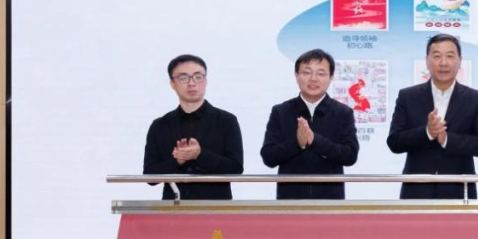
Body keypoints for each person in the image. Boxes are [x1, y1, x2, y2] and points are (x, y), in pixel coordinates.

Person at [387, 34, 478, 199]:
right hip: (416, 193)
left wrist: (447, 139)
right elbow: (394, 142)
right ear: (427, 61)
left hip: (459, 193)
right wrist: (427, 132)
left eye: (450, 56)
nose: (443, 62)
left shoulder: (475, 99)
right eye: (437, 56)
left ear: (459, 61)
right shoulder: (408, 96)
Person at [261, 49, 359, 199]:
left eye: (321, 73)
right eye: (307, 72)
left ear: (331, 77)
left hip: (331, 201)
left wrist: (315, 141)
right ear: (296, 76)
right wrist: (297, 143)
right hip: (289, 201)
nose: (313, 79)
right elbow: (269, 157)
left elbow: (350, 156)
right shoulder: (281, 111)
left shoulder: (343, 112)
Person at [143, 54, 243, 200]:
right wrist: (177, 160)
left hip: (216, 207)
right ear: (172, 83)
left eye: (198, 77)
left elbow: (236, 168)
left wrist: (200, 155)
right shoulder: (160, 125)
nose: (191, 83)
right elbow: (149, 177)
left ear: (205, 81)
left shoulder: (226, 120)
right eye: (183, 78)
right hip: (173, 207)